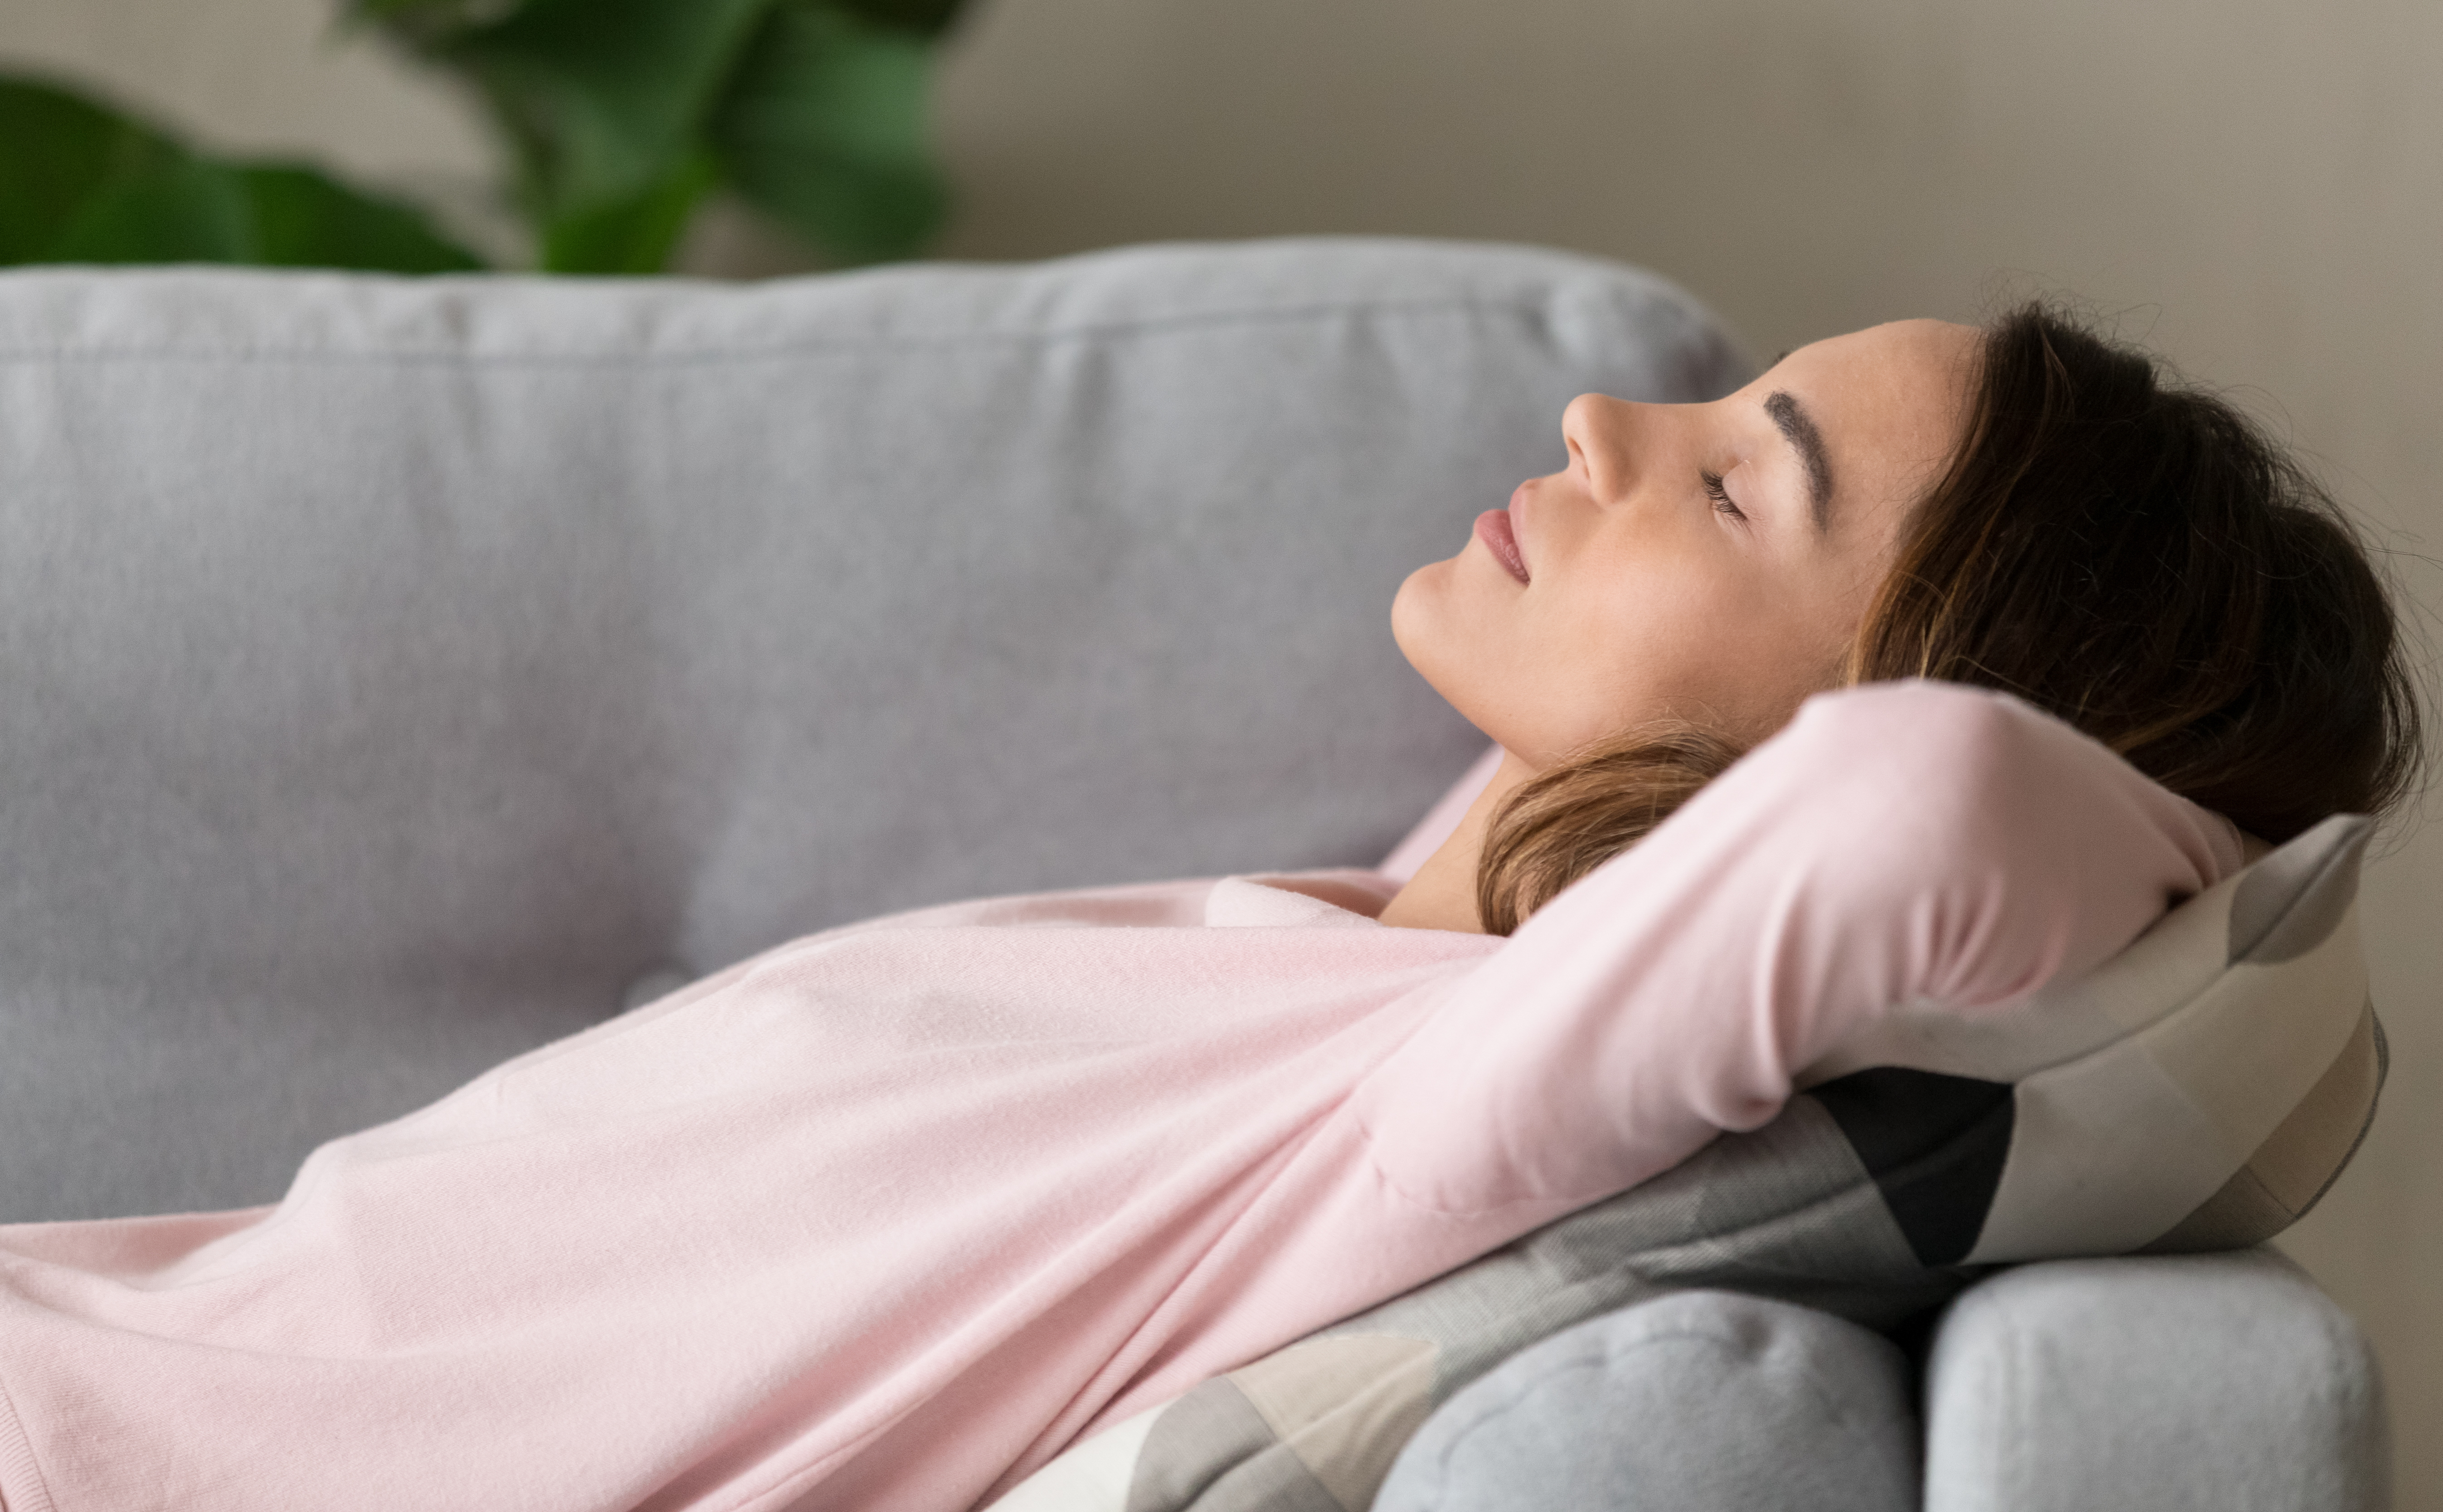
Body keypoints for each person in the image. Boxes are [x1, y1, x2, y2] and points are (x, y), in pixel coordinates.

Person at [0, 305, 2416, 1512]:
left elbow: (1942, 798)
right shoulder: (1359, 941)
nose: (1605, 422)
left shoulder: (1435, 1106)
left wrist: (2201, 804)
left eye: (1733, 488)